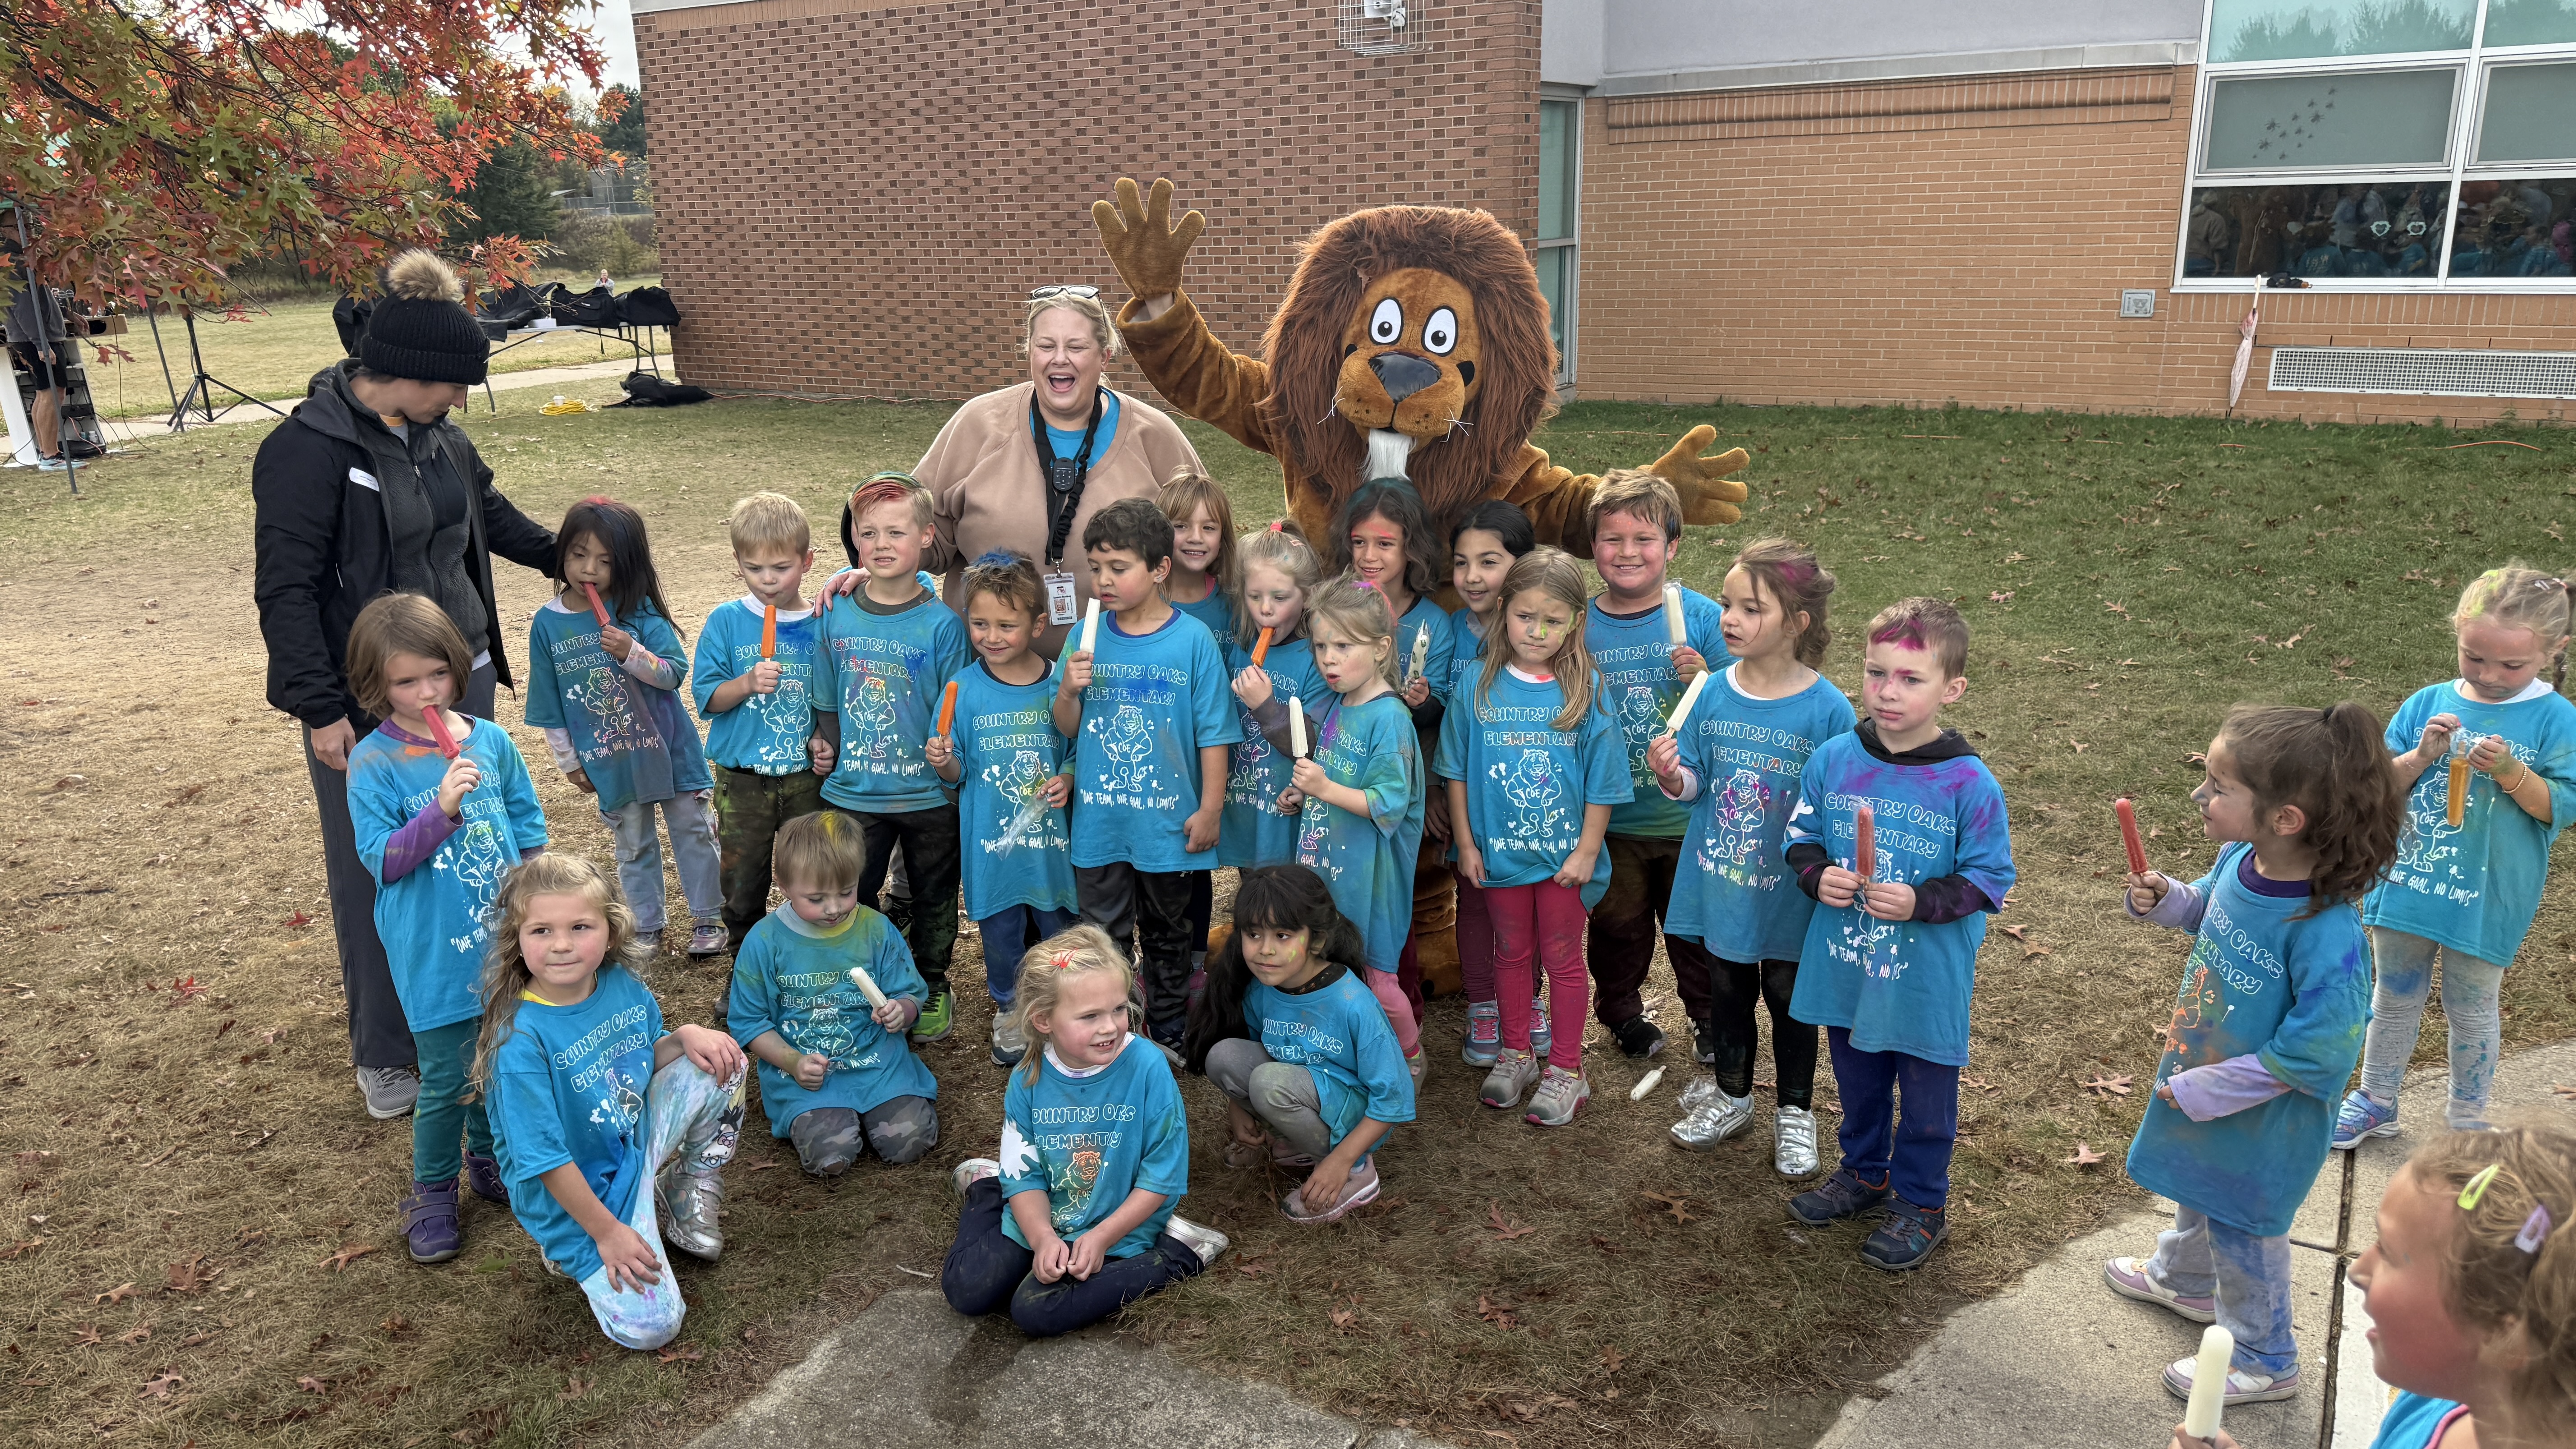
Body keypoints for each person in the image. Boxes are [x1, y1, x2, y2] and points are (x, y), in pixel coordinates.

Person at [253, 247, 557, 1120]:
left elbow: (486, 516)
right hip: (369, 702)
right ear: (405, 375)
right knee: (385, 874)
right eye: (452, 386)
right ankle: (391, 1050)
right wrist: (319, 706)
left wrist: (568, 558)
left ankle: (495, 1023)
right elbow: (287, 588)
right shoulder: (306, 452)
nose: (461, 402)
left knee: (477, 851)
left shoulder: (440, 438)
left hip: (463, 675)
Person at [2107, 704, 2404, 1408]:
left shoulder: (2325, 930)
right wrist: (2169, 899)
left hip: (2265, 1114)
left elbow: (2324, 1050)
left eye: (2217, 785)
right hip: (2205, 1080)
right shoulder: (2242, 859)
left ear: (2286, 818)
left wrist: (2218, 1087)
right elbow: (2212, 907)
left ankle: (2267, 1355)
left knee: (2244, 1223)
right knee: (2197, 1183)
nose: (2198, 796)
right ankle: (2186, 1279)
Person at [1782, 597, 2015, 1272]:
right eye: (1876, 672)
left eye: (1911, 678)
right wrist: (1816, 875)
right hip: (1848, 966)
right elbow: (1800, 838)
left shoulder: (1969, 784)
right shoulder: (1833, 759)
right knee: (1856, 1079)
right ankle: (1863, 1172)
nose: (1888, 691)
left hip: (1924, 982)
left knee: (1926, 1099)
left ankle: (1920, 1202)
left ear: (1952, 688)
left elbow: (1989, 879)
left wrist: (1920, 900)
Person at [344, 595, 551, 1263]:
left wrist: (540, 911)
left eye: (436, 674)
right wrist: (440, 810)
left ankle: (488, 1158)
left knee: (500, 1059)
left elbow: (528, 832)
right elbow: (383, 860)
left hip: (504, 945)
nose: (425, 691)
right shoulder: (373, 764)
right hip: (432, 951)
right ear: (378, 686)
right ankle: (432, 1191)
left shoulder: (490, 741)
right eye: (406, 682)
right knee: (447, 1077)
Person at [2340, 565, 2576, 1149]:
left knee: (2471, 1004)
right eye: (2475, 657)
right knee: (2393, 994)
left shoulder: (2558, 721)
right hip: (2409, 881)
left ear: (2554, 650)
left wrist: (2512, 772)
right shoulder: (2428, 702)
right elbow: (2378, 788)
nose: (2490, 676)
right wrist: (2421, 755)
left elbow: (2558, 807)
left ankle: (2468, 1117)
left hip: (2489, 895)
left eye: (2511, 666)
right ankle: (2376, 1099)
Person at [477, 853, 750, 1351]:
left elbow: (643, 1060)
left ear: (611, 929)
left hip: (630, 1142)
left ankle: (683, 1188)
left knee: (721, 1059)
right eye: (541, 931)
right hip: (579, 1196)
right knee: (652, 1328)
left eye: (580, 926)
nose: (561, 945)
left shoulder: (621, 986)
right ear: (517, 939)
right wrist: (606, 1234)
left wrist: (685, 1035)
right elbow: (544, 1160)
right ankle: (574, 1250)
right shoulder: (519, 1042)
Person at [1651, 538, 1852, 1177]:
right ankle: (1733, 1097)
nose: (1729, 619)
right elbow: (1695, 784)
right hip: (1724, 886)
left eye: (1750, 608)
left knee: (1791, 998)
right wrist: (1669, 775)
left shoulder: (1828, 710)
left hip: (1793, 892)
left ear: (1798, 623)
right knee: (1729, 991)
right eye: (1728, 604)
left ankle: (1796, 1113)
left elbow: (1839, 807)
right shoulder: (1711, 692)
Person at [940, 925, 1228, 1336]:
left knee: (1036, 1310)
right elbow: (1027, 1175)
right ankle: (989, 1187)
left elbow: (1162, 1178)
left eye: (1117, 1008)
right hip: (1044, 1211)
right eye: (1090, 1016)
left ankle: (1180, 1252)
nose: (1110, 1026)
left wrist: (1100, 1237)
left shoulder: (1147, 1067)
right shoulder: (1027, 1077)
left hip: (1119, 1221)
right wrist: (1041, 1238)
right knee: (967, 1289)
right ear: (1044, 1020)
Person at [1437, 547, 1633, 1127]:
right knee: (1511, 953)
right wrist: (1467, 845)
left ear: (1576, 621)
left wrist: (1587, 850)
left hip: (1564, 864)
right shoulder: (1477, 683)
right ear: (1504, 611)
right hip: (1498, 858)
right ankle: (1517, 1053)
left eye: (1553, 619)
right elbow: (1454, 769)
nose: (1537, 630)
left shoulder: (1586, 688)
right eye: (1526, 617)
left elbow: (1604, 782)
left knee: (1563, 959)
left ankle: (1567, 1070)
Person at [906, 287, 1204, 657]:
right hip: (987, 677)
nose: (1059, 359)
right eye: (1046, 346)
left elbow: (1204, 546)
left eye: (1076, 347)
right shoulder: (977, 424)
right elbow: (919, 533)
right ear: (1029, 353)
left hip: (1123, 679)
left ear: (1105, 357)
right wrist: (880, 572)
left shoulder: (1154, 436)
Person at [1053, 498, 1242, 1047]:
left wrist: (1209, 809)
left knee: (1168, 934)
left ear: (1159, 570)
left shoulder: (1192, 642)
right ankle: (1114, 1028)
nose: (1103, 580)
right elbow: (1066, 725)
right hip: (1100, 827)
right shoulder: (1084, 640)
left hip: (1167, 828)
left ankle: (1169, 1028)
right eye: (1096, 568)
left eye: (1118, 568)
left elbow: (1215, 734)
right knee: (1104, 938)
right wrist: (1069, 689)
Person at [525, 496, 724, 961]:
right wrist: (569, 761)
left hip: (669, 747)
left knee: (693, 828)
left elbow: (673, 673)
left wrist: (631, 651)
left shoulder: (638, 612)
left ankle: (709, 917)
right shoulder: (547, 625)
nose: (589, 569)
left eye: (605, 561)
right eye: (578, 554)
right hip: (610, 757)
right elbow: (549, 703)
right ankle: (647, 924)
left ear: (626, 564)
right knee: (632, 842)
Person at [812, 473, 974, 1042]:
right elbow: (826, 694)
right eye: (868, 532)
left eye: (896, 533)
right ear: (854, 539)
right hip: (854, 793)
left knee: (934, 896)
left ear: (927, 537)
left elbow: (954, 708)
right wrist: (824, 739)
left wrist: (949, 766)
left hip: (929, 795)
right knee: (853, 895)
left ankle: (930, 982)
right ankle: (863, 982)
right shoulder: (836, 614)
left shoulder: (944, 627)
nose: (881, 545)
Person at [1582, 471, 1731, 1063]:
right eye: (1611, 539)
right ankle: (1620, 1011)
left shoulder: (1701, 618)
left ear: (1672, 546)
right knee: (1619, 931)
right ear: (1592, 547)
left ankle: (1709, 1017)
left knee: (1694, 934)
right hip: (1612, 817)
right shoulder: (1581, 625)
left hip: (1687, 815)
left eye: (1643, 540)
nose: (1627, 553)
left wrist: (1706, 682)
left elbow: (1743, 700)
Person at [1185, 865, 1417, 1224]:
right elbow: (1251, 1048)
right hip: (1299, 1087)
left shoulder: (1353, 1002)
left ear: (1318, 940)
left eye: (1282, 935)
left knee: (1268, 1082)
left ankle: (1357, 1172)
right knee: (1224, 1056)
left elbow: (1395, 1096)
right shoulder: (1262, 989)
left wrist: (1341, 1161)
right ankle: (1297, 1143)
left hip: (1355, 1118)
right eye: (1254, 934)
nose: (1265, 950)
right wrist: (1238, 1106)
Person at [925, 551, 1081, 1067]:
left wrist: (1069, 778)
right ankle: (1011, 1011)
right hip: (993, 851)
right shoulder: (962, 690)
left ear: (1038, 624)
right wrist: (944, 760)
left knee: (1061, 930)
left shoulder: (1059, 686)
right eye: (980, 624)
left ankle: (1065, 1010)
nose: (992, 636)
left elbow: (1076, 750)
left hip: (1052, 853)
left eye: (1006, 625)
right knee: (1001, 934)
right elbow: (958, 772)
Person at [726, 812, 939, 1176]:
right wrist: (792, 1062)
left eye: (846, 891)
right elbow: (749, 1022)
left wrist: (902, 1011)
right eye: (817, 898)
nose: (835, 907)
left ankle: (884, 1106)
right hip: (807, 1077)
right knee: (831, 1154)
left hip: (878, 1066)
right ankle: (827, 1116)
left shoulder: (876, 929)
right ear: (783, 884)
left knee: (910, 1141)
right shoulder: (765, 942)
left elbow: (909, 992)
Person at [1277, 576, 1428, 1081]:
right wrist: (1305, 793)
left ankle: (1410, 1055)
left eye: (1344, 645)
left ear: (1382, 647)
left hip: (1372, 882)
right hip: (1330, 872)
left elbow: (1388, 802)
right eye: (1321, 646)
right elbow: (1339, 777)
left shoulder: (1389, 718)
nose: (1329, 659)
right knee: (1329, 970)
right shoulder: (1342, 704)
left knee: (1378, 980)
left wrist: (1322, 787)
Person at [1338, 482, 1462, 1005]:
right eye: (1360, 542)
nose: (1370, 556)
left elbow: (1436, 717)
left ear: (1411, 548)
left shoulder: (1432, 621)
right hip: (1341, 778)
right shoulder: (1339, 604)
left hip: (1400, 786)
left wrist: (1421, 700)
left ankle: (1397, 996)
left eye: (1385, 544)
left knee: (1392, 898)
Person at [693, 492, 831, 952]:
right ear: (738, 563)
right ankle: (745, 968)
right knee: (741, 882)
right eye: (755, 569)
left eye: (781, 568)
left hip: (804, 780)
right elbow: (707, 699)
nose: (768, 581)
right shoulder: (727, 622)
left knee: (812, 873)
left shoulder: (822, 624)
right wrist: (747, 683)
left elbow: (830, 701)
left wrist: (822, 736)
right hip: (743, 780)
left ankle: (806, 961)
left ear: (807, 561)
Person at [1444, 501, 1539, 1068]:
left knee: (1532, 907)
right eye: (1462, 563)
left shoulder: (1540, 634)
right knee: (1475, 906)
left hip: (1528, 805)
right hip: (1471, 807)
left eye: (1489, 561)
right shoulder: (1449, 628)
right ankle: (1484, 1005)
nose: (1473, 577)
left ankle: (1529, 1003)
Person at [1159, 467, 1238, 971]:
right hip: (1163, 761)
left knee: (1199, 863)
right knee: (1163, 866)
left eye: (1208, 527)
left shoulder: (1236, 606)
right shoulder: (1146, 604)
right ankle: (1157, 966)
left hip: (1219, 758)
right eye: (1181, 525)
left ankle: (1192, 968)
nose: (1195, 538)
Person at [1219, 522, 1328, 875]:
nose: (1266, 609)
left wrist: (1266, 706)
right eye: (1255, 596)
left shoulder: (1318, 658)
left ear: (1307, 596)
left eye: (1280, 598)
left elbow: (1313, 745)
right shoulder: (1240, 645)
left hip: (1288, 814)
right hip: (1247, 806)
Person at [4, 267, 67, 469]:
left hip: (37, 338)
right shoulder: (13, 265)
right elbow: (23, 309)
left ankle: (46, 451)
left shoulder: (27, 261)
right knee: (52, 393)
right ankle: (51, 455)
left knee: (47, 393)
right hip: (36, 339)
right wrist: (41, 344)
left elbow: (42, 301)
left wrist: (70, 316)